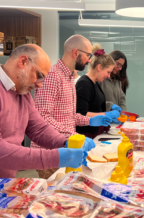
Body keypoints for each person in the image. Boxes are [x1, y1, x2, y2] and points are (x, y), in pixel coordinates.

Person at [0, 44, 96, 178]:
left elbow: (38, 128)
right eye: (39, 75)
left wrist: (64, 141)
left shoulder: (22, 93)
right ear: (22, 62)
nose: (39, 85)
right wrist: (54, 157)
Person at [75, 46, 119, 138]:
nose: (108, 76)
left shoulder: (95, 83)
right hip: (86, 135)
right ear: (99, 67)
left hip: (96, 132)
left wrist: (109, 108)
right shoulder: (84, 83)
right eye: (108, 72)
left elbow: (94, 103)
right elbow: (81, 113)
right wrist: (106, 114)